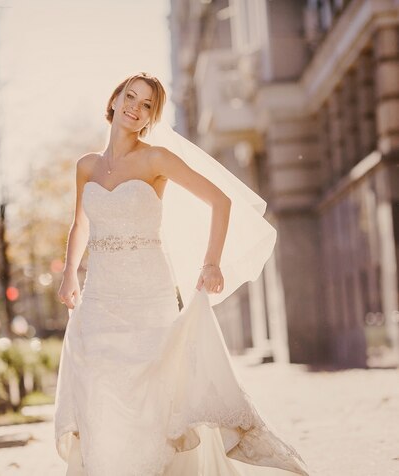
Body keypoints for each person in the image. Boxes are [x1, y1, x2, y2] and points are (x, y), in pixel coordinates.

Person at [54, 73, 309, 475]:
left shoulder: (156, 159)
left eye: (146, 105)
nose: (135, 107)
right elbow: (80, 225)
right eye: (130, 96)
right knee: (100, 391)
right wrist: (70, 272)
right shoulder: (86, 166)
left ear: (149, 118)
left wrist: (211, 263)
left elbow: (220, 201)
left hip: (148, 295)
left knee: (154, 395)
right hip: (100, 296)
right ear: (115, 98)